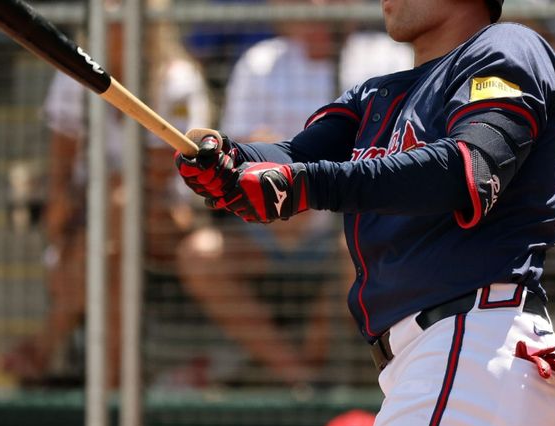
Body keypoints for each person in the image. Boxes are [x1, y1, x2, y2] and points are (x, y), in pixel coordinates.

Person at [176, 0, 555, 426]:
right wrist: (227, 161)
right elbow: (294, 156)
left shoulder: (507, 50)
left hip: (472, 346)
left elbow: (466, 167)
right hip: (450, 364)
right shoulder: (377, 95)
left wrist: (304, 186)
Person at [175, 10, 413, 387]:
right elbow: (245, 152)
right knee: (200, 255)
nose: (319, 6)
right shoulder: (261, 62)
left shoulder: (387, 56)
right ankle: (301, 378)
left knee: (357, 247)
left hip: (342, 223)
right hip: (267, 227)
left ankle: (317, 366)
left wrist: (305, 192)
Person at [0, 0, 212, 387]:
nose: (114, 22)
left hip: (164, 217)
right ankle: (114, 389)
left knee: (119, 203)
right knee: (109, 261)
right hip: (94, 221)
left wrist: (102, 198)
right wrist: (62, 227)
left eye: (124, 15)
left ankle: (43, 346)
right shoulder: (71, 76)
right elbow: (59, 173)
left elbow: (162, 174)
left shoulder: (176, 78)